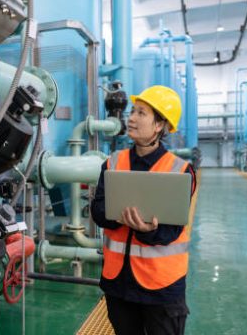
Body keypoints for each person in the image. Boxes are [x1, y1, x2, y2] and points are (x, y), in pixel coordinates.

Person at [91, 85, 197, 335]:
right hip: (119, 284)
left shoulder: (180, 171)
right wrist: (119, 216)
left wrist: (146, 230)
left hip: (161, 287)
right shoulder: (114, 162)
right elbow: (98, 211)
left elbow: (171, 231)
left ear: (159, 125)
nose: (131, 118)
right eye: (132, 111)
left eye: (141, 113)